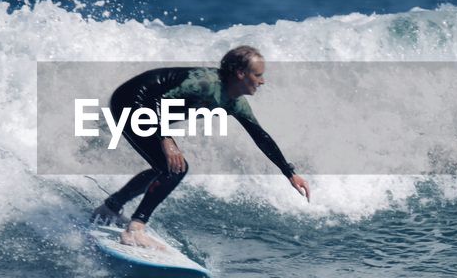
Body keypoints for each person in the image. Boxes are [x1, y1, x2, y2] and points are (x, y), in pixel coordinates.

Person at [92, 46, 310, 248]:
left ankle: (109, 208)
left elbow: (260, 136)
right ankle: (135, 229)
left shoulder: (235, 102)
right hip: (132, 101)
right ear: (240, 74)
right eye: (258, 75)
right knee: (175, 167)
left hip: (150, 110)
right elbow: (155, 101)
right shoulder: (204, 84)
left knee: (167, 167)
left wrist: (290, 173)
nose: (262, 81)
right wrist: (165, 138)